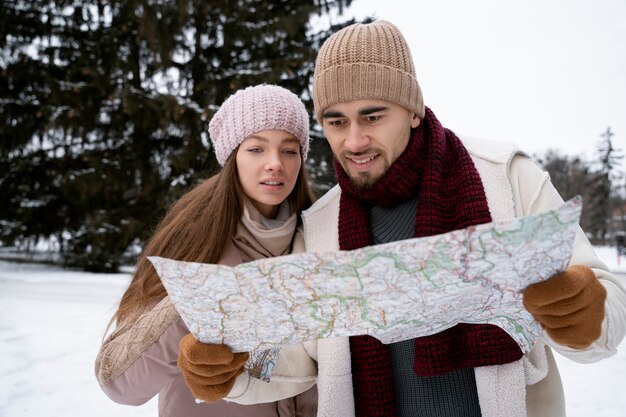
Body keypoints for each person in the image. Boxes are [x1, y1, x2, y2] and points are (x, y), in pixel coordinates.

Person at [297, 20, 626, 417]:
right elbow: (296, 361)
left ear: (413, 111)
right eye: (336, 121)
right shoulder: (320, 224)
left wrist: (583, 309)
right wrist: (231, 368)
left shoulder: (506, 177)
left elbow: (606, 318)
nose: (353, 141)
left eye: (372, 116)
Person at [95, 84, 319, 417]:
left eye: (289, 150)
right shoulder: (194, 237)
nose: (275, 163)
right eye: (256, 149)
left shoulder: (320, 237)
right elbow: (119, 383)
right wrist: (194, 308)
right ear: (232, 158)